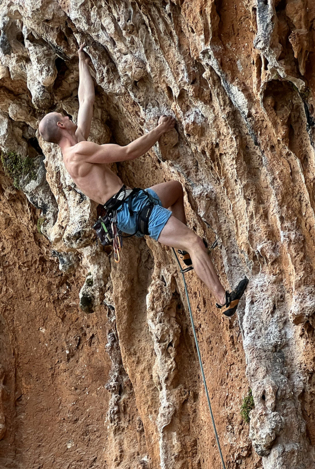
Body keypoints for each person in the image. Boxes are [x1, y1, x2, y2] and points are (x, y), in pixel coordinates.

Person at [38, 46, 248, 317]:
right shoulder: (78, 153)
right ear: (62, 126)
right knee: (194, 241)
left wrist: (82, 61)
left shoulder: (75, 143)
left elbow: (86, 99)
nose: (68, 116)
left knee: (175, 190)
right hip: (132, 209)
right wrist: (159, 130)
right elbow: (128, 152)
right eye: (64, 117)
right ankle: (224, 299)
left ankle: (186, 254)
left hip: (130, 204)